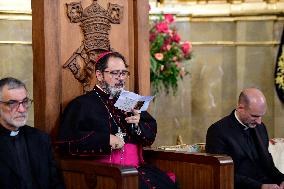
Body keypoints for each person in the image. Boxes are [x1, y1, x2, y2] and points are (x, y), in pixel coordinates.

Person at [56, 51, 178, 189]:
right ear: (99, 75)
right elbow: (66, 143)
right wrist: (105, 139)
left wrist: (137, 124)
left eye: (123, 73)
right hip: (104, 174)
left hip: (135, 170)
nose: (121, 78)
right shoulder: (81, 104)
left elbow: (150, 134)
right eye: (115, 73)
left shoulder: (131, 101)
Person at [206, 87, 284, 189]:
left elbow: (268, 165)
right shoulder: (218, 131)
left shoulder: (261, 127)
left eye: (261, 116)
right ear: (240, 108)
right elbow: (223, 174)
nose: (259, 122)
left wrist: (281, 179)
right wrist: (260, 186)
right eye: (254, 116)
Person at [0, 77, 65, 189]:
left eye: (24, 102)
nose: (22, 109)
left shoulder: (41, 139)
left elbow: (55, 183)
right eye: (12, 103)